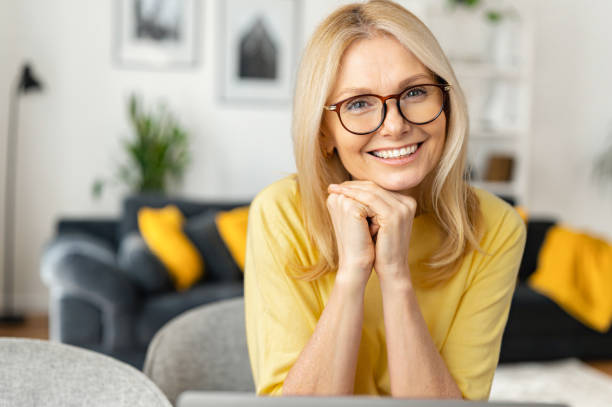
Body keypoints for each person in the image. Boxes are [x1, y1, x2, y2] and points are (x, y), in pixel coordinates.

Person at [244, 0, 526, 401]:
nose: (395, 125)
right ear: (323, 133)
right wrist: (353, 273)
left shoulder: (494, 227)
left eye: (415, 92)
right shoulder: (281, 213)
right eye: (358, 103)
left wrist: (394, 275)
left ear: (446, 103)